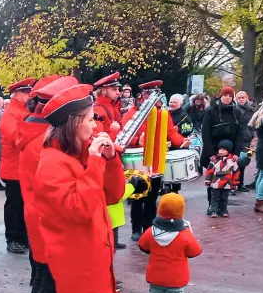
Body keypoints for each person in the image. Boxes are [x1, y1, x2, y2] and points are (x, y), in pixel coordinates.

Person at [34, 84, 125, 293]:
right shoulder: (52, 164)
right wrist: (96, 162)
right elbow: (80, 208)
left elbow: (114, 194)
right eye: (89, 119)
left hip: (88, 263)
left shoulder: (78, 155)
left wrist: (111, 159)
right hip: (75, 266)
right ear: (72, 123)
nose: (95, 126)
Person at [17, 74, 71, 293]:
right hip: (46, 214)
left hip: (36, 211)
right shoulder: (44, 139)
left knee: (41, 277)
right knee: (47, 281)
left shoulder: (34, 132)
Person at [124, 80, 188, 240]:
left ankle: (148, 227)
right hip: (139, 160)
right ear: (145, 95)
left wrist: (182, 141)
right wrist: (137, 139)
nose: (157, 98)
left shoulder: (162, 112)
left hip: (156, 158)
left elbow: (171, 133)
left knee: (152, 197)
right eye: (153, 94)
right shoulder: (133, 112)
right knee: (138, 196)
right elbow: (125, 134)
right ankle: (136, 229)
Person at [138, 193, 202, 293]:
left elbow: (142, 245)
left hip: (156, 275)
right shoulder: (184, 235)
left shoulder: (151, 232)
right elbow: (195, 251)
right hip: (176, 278)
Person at [0, 78, 35, 254]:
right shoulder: (10, 113)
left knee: (23, 203)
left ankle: (21, 236)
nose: (29, 95)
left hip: (23, 165)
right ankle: (13, 237)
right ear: (17, 95)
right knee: (14, 204)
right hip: (13, 167)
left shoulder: (24, 111)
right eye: (26, 93)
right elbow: (16, 138)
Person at [201, 87, 239, 209]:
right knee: (213, 179)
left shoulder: (236, 112)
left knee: (226, 179)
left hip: (230, 151)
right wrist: (210, 152)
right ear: (220, 96)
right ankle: (211, 205)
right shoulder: (211, 111)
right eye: (225, 95)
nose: (227, 98)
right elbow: (205, 133)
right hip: (214, 149)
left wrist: (236, 152)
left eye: (230, 96)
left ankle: (222, 206)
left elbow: (240, 133)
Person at [204, 139, 239, 218]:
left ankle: (223, 210)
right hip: (215, 183)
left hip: (227, 184)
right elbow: (209, 171)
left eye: (223, 149)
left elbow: (236, 172)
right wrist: (207, 181)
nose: (221, 151)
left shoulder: (232, 161)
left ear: (228, 151)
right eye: (220, 149)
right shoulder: (214, 160)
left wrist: (235, 182)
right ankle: (214, 210)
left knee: (224, 198)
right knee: (214, 197)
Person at [233, 91, 254, 192]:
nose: (241, 99)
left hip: (246, 139)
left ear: (247, 98)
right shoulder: (233, 109)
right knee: (234, 161)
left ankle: (240, 183)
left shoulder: (251, 110)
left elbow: (253, 123)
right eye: (239, 98)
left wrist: (251, 134)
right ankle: (234, 183)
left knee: (244, 161)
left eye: (243, 97)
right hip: (236, 139)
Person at [93, 72, 123, 138]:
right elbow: (98, 138)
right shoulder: (98, 109)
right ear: (103, 90)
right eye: (114, 89)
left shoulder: (114, 106)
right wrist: (113, 131)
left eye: (118, 89)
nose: (118, 93)